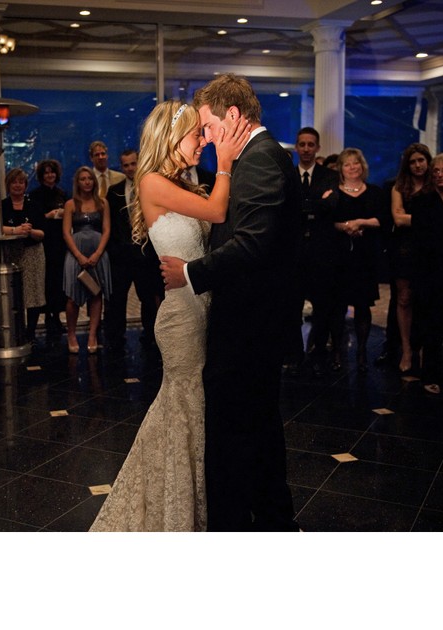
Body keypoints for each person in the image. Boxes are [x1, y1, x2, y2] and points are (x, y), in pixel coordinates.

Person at [90, 99, 249, 531]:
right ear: (171, 137)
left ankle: (192, 501)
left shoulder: (180, 182)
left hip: (201, 306)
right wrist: (226, 161)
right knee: (183, 408)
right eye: (197, 134)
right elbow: (217, 211)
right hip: (182, 319)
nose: (203, 140)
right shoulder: (152, 182)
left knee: (194, 410)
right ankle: (174, 509)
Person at [160, 74, 302, 531]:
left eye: (206, 126)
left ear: (233, 117)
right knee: (256, 430)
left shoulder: (260, 160)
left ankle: (238, 528)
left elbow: (252, 245)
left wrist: (188, 273)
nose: (203, 136)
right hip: (252, 322)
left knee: (237, 433)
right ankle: (271, 522)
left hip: (249, 325)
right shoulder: (253, 158)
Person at [408, 153, 443, 393]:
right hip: (432, 270)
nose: (441, 174)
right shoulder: (423, 200)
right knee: (432, 324)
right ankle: (429, 374)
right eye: (436, 171)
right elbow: (420, 237)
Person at [331, 148, 385, 373]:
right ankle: (337, 350)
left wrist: (360, 222)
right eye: (347, 164)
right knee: (338, 306)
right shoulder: (333, 192)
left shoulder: (374, 192)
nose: (353, 167)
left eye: (356, 163)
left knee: (363, 305)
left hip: (365, 257)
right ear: (341, 169)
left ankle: (362, 350)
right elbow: (328, 221)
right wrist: (346, 226)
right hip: (340, 256)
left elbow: (382, 219)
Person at [104, 149, 163, 353]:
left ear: (140, 163)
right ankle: (115, 338)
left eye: (133, 163)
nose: (130, 168)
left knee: (148, 298)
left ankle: (150, 335)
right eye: (126, 165)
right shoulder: (114, 191)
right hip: (121, 256)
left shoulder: (152, 187)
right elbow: (109, 224)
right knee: (117, 299)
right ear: (121, 167)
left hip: (145, 255)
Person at [291, 126, 339, 376]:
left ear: (318, 147)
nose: (307, 149)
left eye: (311, 144)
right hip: (294, 253)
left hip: (322, 253)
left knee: (323, 307)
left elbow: (331, 206)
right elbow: (286, 209)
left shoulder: (329, 176)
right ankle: (294, 354)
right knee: (292, 307)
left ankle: (318, 352)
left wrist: (307, 206)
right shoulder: (288, 175)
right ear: (297, 147)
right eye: (302, 144)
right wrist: (315, 204)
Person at [0, 168, 47, 344]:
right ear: (8, 185)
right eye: (14, 182)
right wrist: (15, 230)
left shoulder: (34, 204)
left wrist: (29, 232)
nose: (17, 185)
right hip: (11, 254)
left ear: (25, 185)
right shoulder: (2, 206)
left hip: (33, 254)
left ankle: (30, 333)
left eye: (21, 182)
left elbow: (43, 233)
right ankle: (16, 331)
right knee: (14, 294)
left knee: (34, 294)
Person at [390, 143, 432, 374]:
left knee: (427, 301)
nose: (417, 165)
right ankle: (406, 349)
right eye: (413, 161)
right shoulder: (399, 187)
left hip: (429, 249)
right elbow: (398, 219)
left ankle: (427, 350)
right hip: (404, 249)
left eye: (421, 160)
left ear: (428, 161)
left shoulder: (435, 185)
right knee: (404, 299)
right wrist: (427, 220)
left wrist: (412, 218)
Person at [62, 166, 112, 354]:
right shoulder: (70, 204)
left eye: (89, 178)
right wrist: (79, 255)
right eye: (83, 179)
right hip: (76, 254)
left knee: (96, 293)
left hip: (98, 254)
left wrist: (98, 253)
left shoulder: (103, 203)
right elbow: (66, 233)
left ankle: (92, 335)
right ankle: (72, 335)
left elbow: (107, 230)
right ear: (77, 182)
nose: (87, 182)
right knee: (72, 297)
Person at [29, 159, 68, 336]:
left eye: (52, 172)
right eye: (46, 173)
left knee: (59, 280)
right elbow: (34, 220)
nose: (50, 175)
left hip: (60, 242)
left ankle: (57, 316)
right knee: (46, 281)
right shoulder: (35, 196)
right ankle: (48, 317)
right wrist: (48, 215)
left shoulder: (62, 193)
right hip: (44, 242)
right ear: (41, 176)